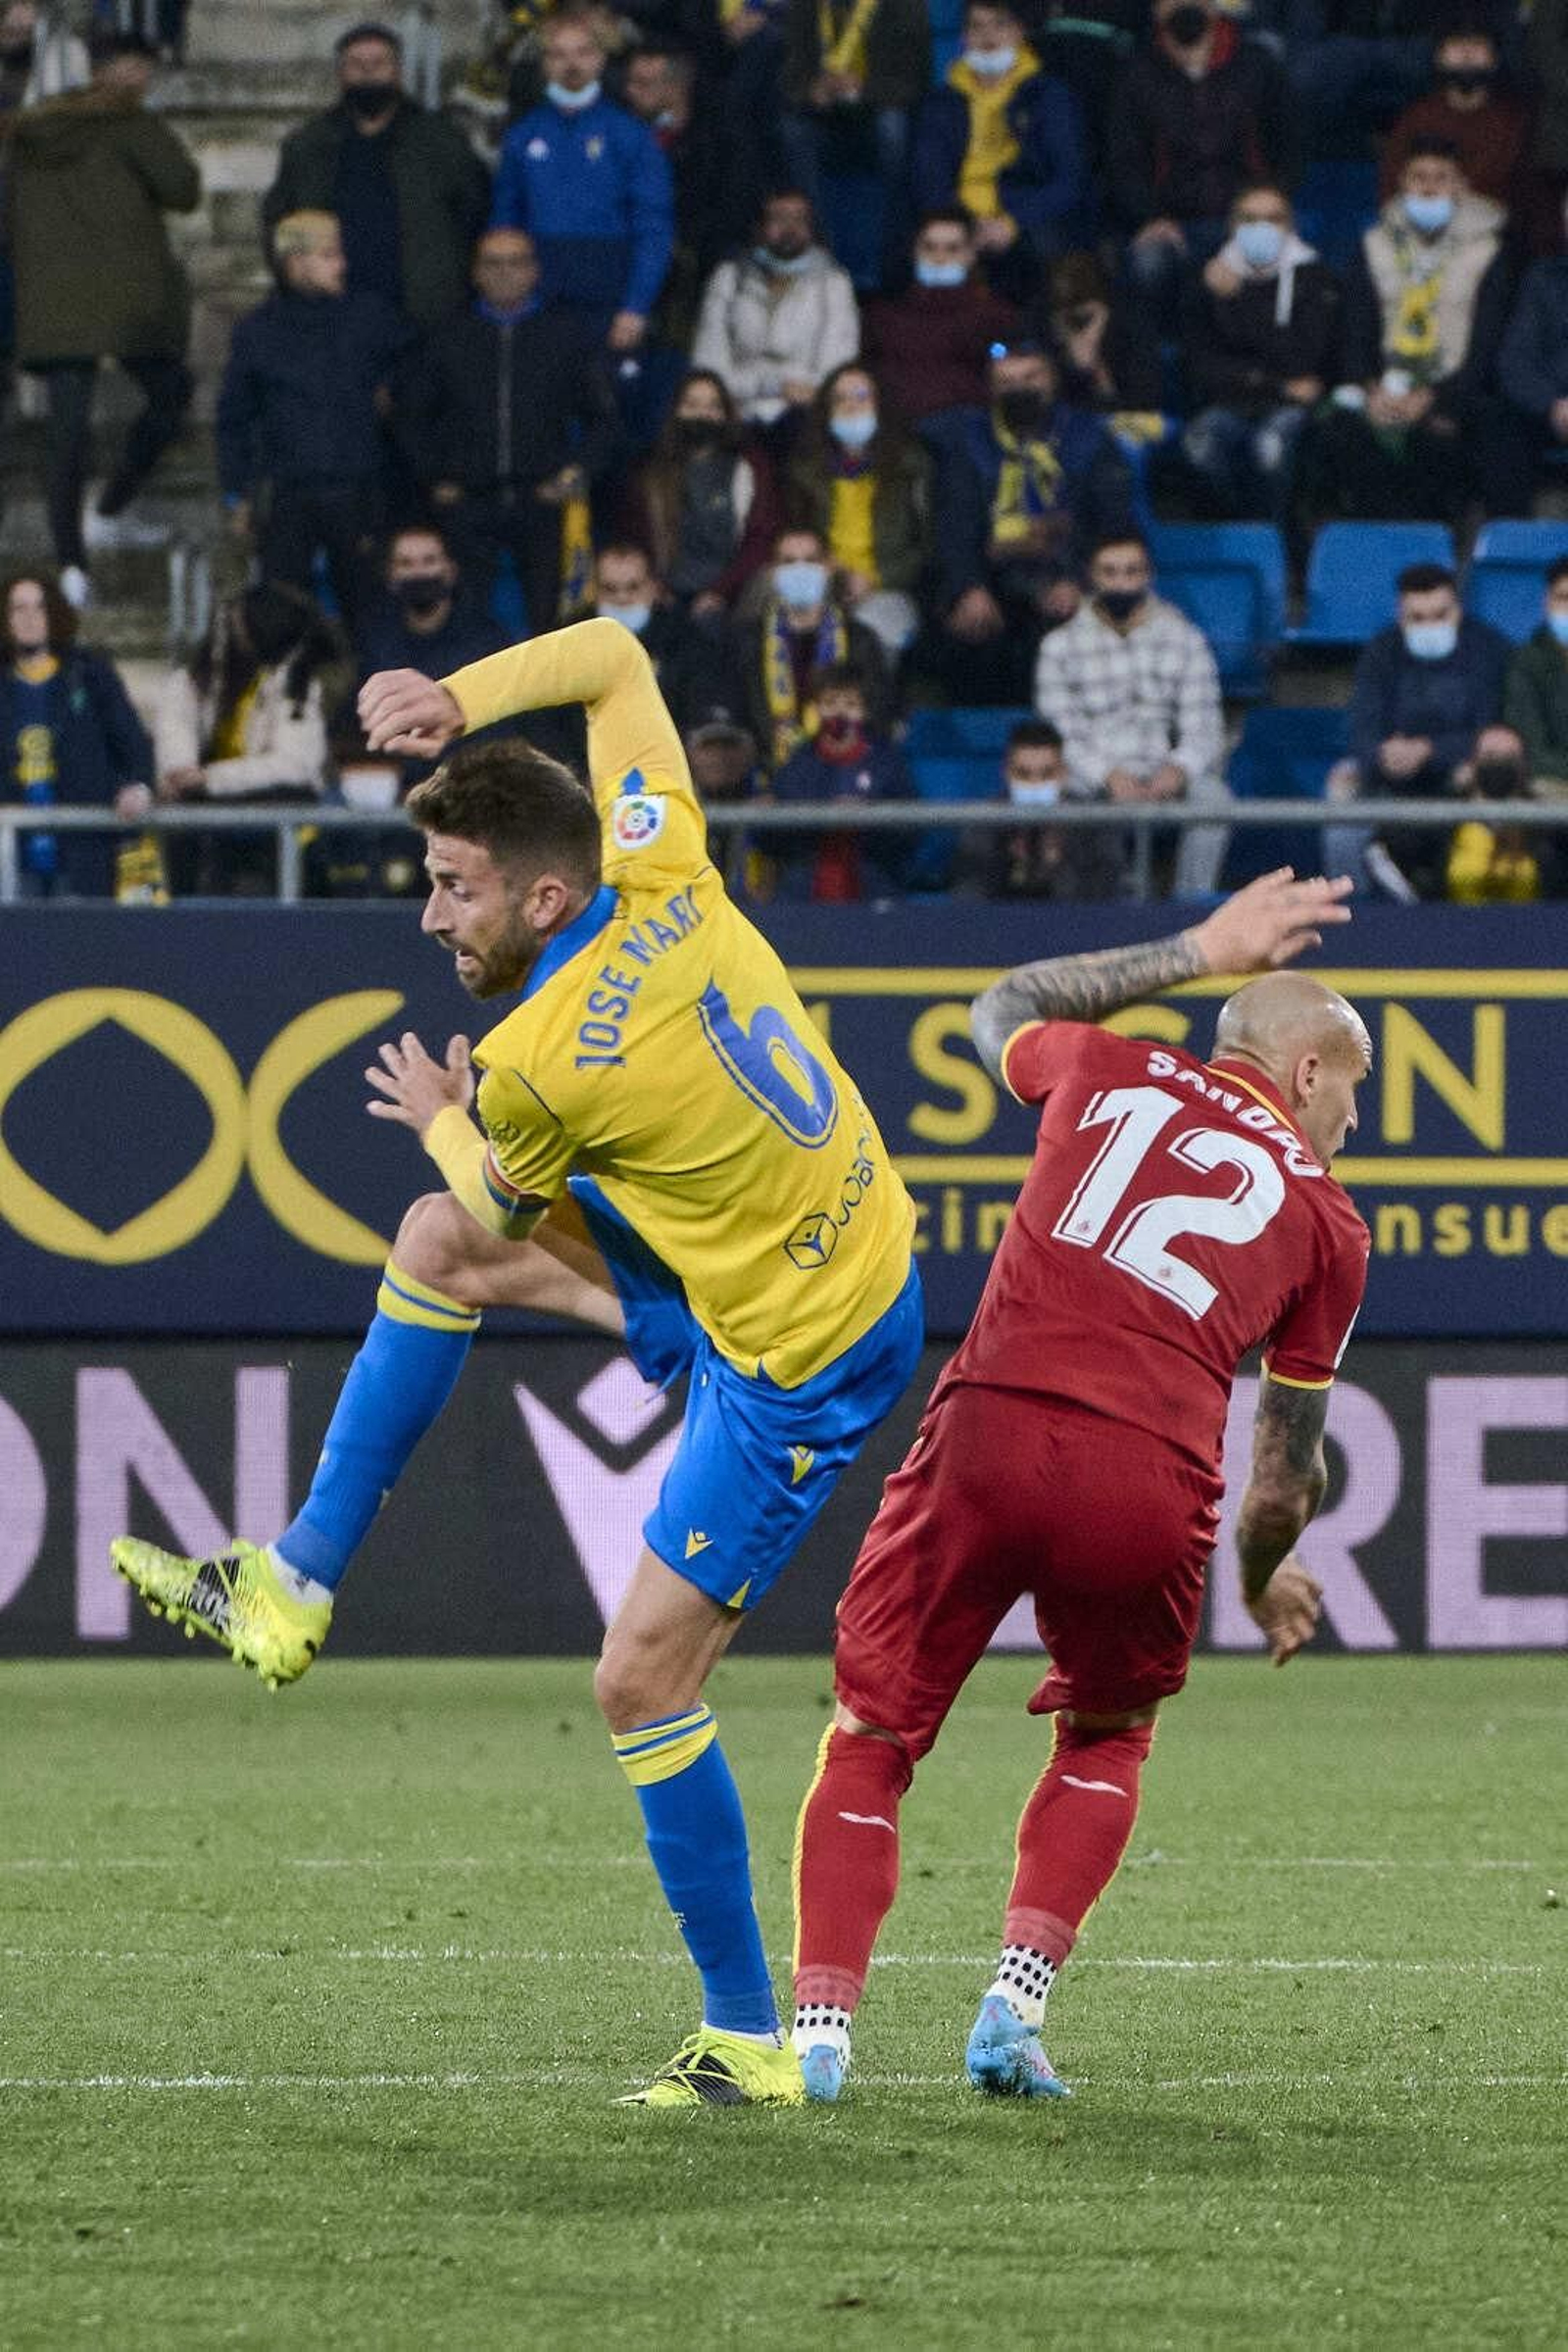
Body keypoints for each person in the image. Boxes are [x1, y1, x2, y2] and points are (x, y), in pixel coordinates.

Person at [112, 615, 922, 2112]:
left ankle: (747, 2041)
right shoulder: (665, 862)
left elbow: (496, 1192)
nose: (430, 917)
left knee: (638, 1680)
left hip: (806, 1355)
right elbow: (617, 657)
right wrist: (458, 704)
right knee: (431, 1242)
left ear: (547, 893)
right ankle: (293, 1581)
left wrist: (442, 1105)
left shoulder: (549, 1053)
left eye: (452, 885)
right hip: (769, 1244)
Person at [788, 868, 1371, 2102]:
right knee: (1110, 1733)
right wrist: (1265, 1584)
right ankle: (1011, 2011)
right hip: (1147, 1480)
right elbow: (1280, 1479)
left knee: (874, 1736)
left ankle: (819, 2036)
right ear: (1307, 1072)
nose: (1353, 1123)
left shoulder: (1104, 1068)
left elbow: (1000, 1001)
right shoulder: (1328, 1221)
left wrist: (1197, 945)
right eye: (1355, 1089)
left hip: (990, 1429)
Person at [9, 29, 198, 604]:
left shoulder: (29, 129)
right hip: (127, 305)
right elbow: (183, 188)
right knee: (172, 393)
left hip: (53, 302)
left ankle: (71, 561)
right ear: (120, 70)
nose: (145, 79)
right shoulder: (130, 123)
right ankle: (112, 503)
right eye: (141, 68)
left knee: (67, 436)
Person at [396, 226, 620, 637]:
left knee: (551, 623)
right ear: (476, 272)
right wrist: (435, 476)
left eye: (516, 263)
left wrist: (576, 471)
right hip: (468, 501)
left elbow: (605, 418)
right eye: (493, 264)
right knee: (464, 624)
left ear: (534, 271)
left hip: (541, 497)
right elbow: (411, 416)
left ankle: (549, 703)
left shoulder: (565, 335)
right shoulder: (448, 336)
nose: (504, 273)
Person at [217, 211, 416, 631]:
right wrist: (237, 493)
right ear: (296, 261)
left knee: (371, 617)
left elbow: (417, 379)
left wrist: (393, 395)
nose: (341, 264)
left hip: (359, 492)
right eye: (329, 254)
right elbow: (234, 417)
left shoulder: (370, 317)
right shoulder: (258, 331)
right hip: (288, 497)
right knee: (280, 615)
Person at [1302, 140, 1510, 524]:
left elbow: (1488, 342)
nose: (1429, 188)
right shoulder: (1374, 244)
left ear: (1461, 186)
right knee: (1336, 432)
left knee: (1446, 437)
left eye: (1441, 179)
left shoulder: (1491, 252)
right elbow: (1354, 329)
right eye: (1418, 178)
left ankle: (1436, 545)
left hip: (1454, 388)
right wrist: (1370, 388)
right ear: (1401, 184)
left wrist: (1434, 397)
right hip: (1383, 385)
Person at [921, 338, 1134, 706]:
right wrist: (968, 587)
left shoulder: (1088, 438)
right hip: (996, 582)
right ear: (991, 390)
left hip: (1069, 578)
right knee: (964, 633)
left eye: (1031, 377)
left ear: (1052, 379)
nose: (1019, 388)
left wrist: (1078, 582)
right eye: (1006, 381)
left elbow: (1112, 522)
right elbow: (955, 525)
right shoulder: (969, 442)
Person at [1034, 529, 1229, 897]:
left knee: (1214, 797)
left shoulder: (1184, 638)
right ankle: (1105, 909)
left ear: (1148, 575)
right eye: (1110, 572)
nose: (1121, 583)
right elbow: (1060, 735)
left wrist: (1177, 770)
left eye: (1131, 571)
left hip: (1164, 774)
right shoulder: (1058, 647)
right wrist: (1108, 775)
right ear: (1092, 576)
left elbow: (1204, 727)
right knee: (1063, 796)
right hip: (1092, 779)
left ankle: (1192, 906)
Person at [262, 21, 490, 330]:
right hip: (332, 319)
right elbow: (280, 224)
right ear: (340, 74)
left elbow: (477, 214)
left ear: (398, 71)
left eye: (379, 63)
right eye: (356, 64)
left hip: (422, 319)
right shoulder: (308, 146)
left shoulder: (441, 142)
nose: (368, 71)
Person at [491, 8, 673, 362]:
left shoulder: (631, 135)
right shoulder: (522, 136)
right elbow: (504, 220)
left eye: (583, 52)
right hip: (538, 293)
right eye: (558, 54)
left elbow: (653, 226)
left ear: (601, 59)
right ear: (544, 64)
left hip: (607, 292)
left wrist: (636, 306)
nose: (571, 64)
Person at [1326, 562, 1511, 901]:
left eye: (1441, 615)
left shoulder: (1489, 650)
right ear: (1401, 615)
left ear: (1458, 610)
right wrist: (1382, 755)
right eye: (1418, 618)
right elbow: (1362, 729)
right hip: (1389, 782)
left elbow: (1493, 730)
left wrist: (1430, 750)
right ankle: (1351, 929)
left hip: (1463, 779)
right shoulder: (1381, 651)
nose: (1430, 625)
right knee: (1341, 816)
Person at [1107, 0, 1293, 331]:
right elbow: (1123, 162)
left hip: (1244, 215)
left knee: (1283, 260)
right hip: (1172, 223)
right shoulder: (1135, 74)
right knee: (1147, 264)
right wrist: (1149, 216)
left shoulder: (1256, 64)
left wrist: (1264, 207)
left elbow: (1290, 145)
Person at [154, 581, 344, 895]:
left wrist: (210, 778)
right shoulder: (195, 681)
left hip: (274, 816)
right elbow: (176, 729)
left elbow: (296, 765)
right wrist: (181, 769)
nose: (226, 631)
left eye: (236, 624)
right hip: (205, 820)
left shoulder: (298, 685)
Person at [1180, 182, 1341, 526]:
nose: (1260, 229)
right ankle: (1233, 532)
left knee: (1271, 449)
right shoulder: (1206, 280)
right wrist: (1278, 384)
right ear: (1231, 227)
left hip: (1288, 410)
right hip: (1231, 403)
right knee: (1200, 443)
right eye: (1249, 219)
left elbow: (1305, 360)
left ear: (1291, 226)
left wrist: (1238, 301)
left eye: (1273, 219)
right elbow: (1201, 367)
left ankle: (1273, 538)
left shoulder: (1315, 278)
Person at [911, 0, 1090, 300]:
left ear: (1020, 32)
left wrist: (1011, 222)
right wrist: (966, 223)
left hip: (1024, 215)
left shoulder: (1048, 95)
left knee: (1050, 240)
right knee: (929, 241)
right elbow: (928, 176)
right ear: (964, 37)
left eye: (1000, 24)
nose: (988, 36)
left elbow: (1067, 179)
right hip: (960, 215)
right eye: (977, 26)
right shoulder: (941, 102)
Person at [0, 566, 152, 894]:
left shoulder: (89, 674)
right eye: (19, 608)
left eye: (40, 607)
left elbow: (132, 743)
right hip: (10, 859)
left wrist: (137, 786)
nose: (30, 617)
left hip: (83, 852)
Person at [785, 362, 931, 659]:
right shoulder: (804, 473)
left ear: (880, 405)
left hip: (889, 590)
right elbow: (793, 537)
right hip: (819, 588)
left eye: (861, 397)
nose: (851, 406)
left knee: (870, 637)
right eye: (840, 399)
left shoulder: (911, 468)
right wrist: (825, 572)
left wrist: (877, 580)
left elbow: (929, 547)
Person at [779, 0, 929, 283]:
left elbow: (914, 79)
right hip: (823, 114)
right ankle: (818, 240)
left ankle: (891, 242)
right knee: (791, 130)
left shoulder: (904, 6)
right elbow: (790, 76)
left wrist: (864, 89)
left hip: (878, 107)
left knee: (893, 130)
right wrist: (811, 90)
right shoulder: (806, 7)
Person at [690, 189, 859, 433]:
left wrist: (804, 394)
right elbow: (708, 363)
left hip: (806, 415)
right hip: (736, 410)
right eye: (779, 218)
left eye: (799, 219)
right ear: (760, 227)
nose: (789, 228)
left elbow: (837, 368)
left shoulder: (834, 283)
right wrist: (769, 387)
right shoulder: (728, 277)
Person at [619, 367, 781, 617]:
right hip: (662, 596)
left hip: (734, 594)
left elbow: (760, 539)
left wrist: (719, 592)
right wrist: (655, 587)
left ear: (726, 413)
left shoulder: (749, 466)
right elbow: (633, 537)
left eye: (713, 406)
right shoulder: (649, 469)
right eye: (692, 405)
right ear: (675, 411)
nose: (702, 414)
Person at [734, 523, 888, 768]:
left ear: (828, 567)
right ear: (772, 572)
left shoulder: (860, 640)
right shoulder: (746, 641)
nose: (800, 569)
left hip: (843, 775)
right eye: (789, 561)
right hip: (765, 779)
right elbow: (741, 720)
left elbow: (877, 715)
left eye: (810, 560)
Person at [768, 656, 912, 899]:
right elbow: (775, 835)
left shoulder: (886, 761)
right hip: (804, 893)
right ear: (816, 708)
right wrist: (822, 813)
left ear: (865, 710)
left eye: (851, 704)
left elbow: (910, 830)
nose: (840, 712)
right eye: (830, 702)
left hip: (873, 890)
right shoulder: (800, 761)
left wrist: (872, 815)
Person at [860, 209, 1019, 426]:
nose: (939, 257)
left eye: (952, 249)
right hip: (896, 432)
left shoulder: (995, 316)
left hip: (968, 433)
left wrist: (994, 350)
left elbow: (1002, 356)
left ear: (971, 254)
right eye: (929, 247)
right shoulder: (883, 316)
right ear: (915, 251)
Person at [1378, 20, 1533, 225]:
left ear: (1494, 58)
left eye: (1478, 45)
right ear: (1439, 56)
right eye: (1456, 46)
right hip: (1417, 231)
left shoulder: (1514, 122)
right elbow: (1392, 188)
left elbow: (1520, 197)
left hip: (1492, 232)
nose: (1467, 54)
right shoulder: (1417, 117)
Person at [976, 714, 1124, 901]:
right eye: (1023, 774)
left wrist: (1055, 868)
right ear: (1006, 773)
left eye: (1047, 774)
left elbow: (1106, 902)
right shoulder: (982, 821)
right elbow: (968, 900)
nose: (1035, 783)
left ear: (1063, 774)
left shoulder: (1094, 824)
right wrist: (1010, 865)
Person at [589, 539, 731, 731]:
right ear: (594, 590)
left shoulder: (685, 639)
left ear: (653, 588)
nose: (621, 598)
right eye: (610, 589)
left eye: (633, 587)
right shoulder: (569, 640)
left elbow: (700, 706)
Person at [1495, 205, 1568, 512]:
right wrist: (1553, 405)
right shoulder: (1543, 278)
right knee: (1495, 419)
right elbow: (1515, 361)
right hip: (1552, 411)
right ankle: (1511, 544)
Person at [1443, 724, 1544, 903]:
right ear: (1472, 764)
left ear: (1524, 767)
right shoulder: (1443, 823)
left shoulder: (1547, 830)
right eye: (1490, 756)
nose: (1499, 765)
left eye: (1509, 759)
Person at [1503, 558, 1568, 806]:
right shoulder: (1526, 663)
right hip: (1553, 785)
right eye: (1564, 598)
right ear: (1547, 602)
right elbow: (1532, 747)